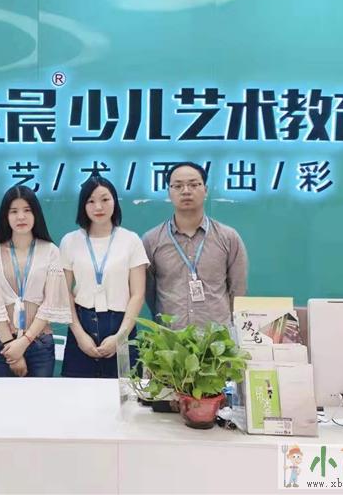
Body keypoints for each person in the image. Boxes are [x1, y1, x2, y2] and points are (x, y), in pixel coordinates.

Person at [59, 174, 148, 378]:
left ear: (115, 201)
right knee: (78, 393)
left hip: (121, 326)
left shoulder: (131, 240)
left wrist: (120, 337)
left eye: (105, 199)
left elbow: (138, 294)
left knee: (125, 392)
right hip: (81, 326)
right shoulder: (70, 241)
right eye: (91, 201)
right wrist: (80, 335)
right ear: (83, 205)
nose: (98, 207)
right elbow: (64, 293)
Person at [142, 162, 248, 329]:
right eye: (178, 186)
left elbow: (238, 289)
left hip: (218, 338)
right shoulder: (151, 240)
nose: (186, 191)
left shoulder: (228, 237)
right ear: (169, 192)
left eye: (193, 184)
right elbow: (149, 292)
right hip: (170, 339)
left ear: (205, 190)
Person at [0, 186, 71, 377]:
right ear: (5, 216)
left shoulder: (51, 251)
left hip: (40, 344)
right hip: (3, 346)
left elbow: (50, 302)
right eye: (14, 211)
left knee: (40, 397)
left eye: (27, 210)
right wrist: (11, 346)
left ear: (36, 213)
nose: (21, 217)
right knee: (3, 397)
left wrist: (24, 341)